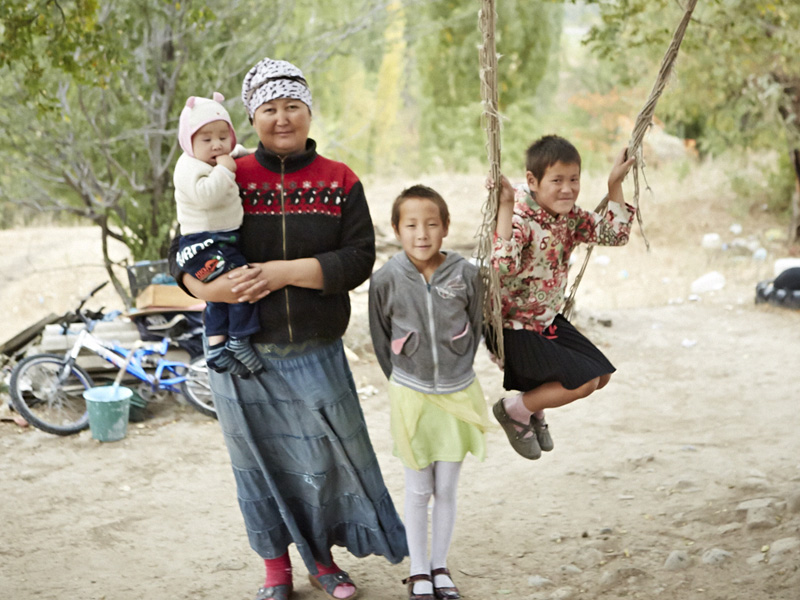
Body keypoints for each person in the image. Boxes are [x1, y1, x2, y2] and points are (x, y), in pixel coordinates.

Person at [168, 58, 408, 600]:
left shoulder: (339, 180)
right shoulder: (225, 173)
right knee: (256, 468)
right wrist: (205, 288)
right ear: (251, 119)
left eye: (292, 106)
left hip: (315, 350)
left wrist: (283, 273)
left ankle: (322, 563)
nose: (282, 118)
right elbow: (179, 246)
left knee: (321, 465)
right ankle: (275, 570)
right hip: (243, 356)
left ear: (308, 112)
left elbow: (358, 258)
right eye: (269, 109)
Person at [368, 185, 489, 600]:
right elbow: (381, 339)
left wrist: (458, 366)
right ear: (396, 229)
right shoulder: (385, 279)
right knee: (419, 489)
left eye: (432, 224)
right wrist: (405, 379)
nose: (422, 234)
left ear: (446, 227)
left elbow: (477, 325)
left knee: (447, 488)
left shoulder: (466, 274)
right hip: (412, 397)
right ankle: (418, 570)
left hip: (457, 394)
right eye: (412, 225)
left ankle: (440, 566)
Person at [488, 134, 636, 460]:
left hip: (545, 320)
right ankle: (515, 409)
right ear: (533, 181)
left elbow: (617, 234)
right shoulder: (520, 218)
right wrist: (505, 206)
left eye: (574, 180)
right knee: (584, 381)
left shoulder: (570, 218)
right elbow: (502, 266)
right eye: (556, 180)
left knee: (602, 375)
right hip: (513, 328)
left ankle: (533, 404)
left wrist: (614, 184)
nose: (567, 189)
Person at [173, 92, 262, 375]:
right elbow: (206, 197)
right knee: (241, 281)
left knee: (218, 298)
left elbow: (233, 153)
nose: (217, 145)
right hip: (205, 241)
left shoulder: (214, 157)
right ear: (188, 142)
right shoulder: (188, 166)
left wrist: (248, 154)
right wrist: (225, 171)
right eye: (206, 139)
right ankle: (238, 339)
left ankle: (215, 348)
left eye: (224, 137)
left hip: (219, 238)